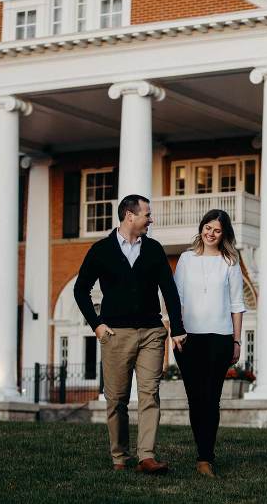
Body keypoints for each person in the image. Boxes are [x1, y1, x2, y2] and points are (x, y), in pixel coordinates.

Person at [74, 194, 185, 475]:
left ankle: (146, 456)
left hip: (151, 332)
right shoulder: (101, 249)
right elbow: (80, 289)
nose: (152, 219)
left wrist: (177, 329)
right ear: (129, 216)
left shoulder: (154, 249)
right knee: (117, 399)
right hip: (116, 334)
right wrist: (97, 325)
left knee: (150, 394)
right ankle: (120, 456)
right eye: (147, 214)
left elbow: (169, 290)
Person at [172, 209, 246, 478]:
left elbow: (237, 305)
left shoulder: (230, 262)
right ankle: (201, 452)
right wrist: (175, 331)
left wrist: (237, 341)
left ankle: (206, 458)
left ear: (223, 234)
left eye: (217, 230)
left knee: (211, 399)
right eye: (207, 227)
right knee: (195, 399)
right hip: (188, 339)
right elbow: (175, 298)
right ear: (201, 227)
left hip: (220, 338)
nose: (211, 233)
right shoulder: (186, 259)